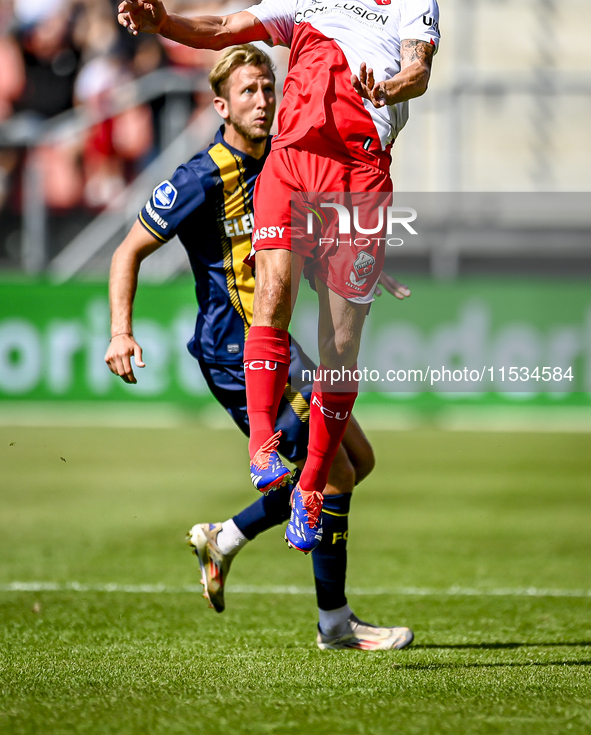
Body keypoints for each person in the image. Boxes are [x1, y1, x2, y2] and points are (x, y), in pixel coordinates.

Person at [115, 0, 440, 555]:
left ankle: (313, 484)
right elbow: (223, 28)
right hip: (293, 163)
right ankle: (263, 445)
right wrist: (162, 22)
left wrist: (392, 86)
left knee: (339, 351)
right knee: (272, 295)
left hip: (357, 175)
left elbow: (418, 68)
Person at [105, 43, 414, 650]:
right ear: (221, 105)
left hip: (278, 344)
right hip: (231, 351)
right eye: (248, 91)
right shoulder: (200, 177)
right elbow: (127, 250)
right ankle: (334, 623)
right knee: (336, 474)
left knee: (359, 462)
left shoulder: (284, 161)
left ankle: (225, 537)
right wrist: (120, 330)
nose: (263, 100)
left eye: (268, 88)